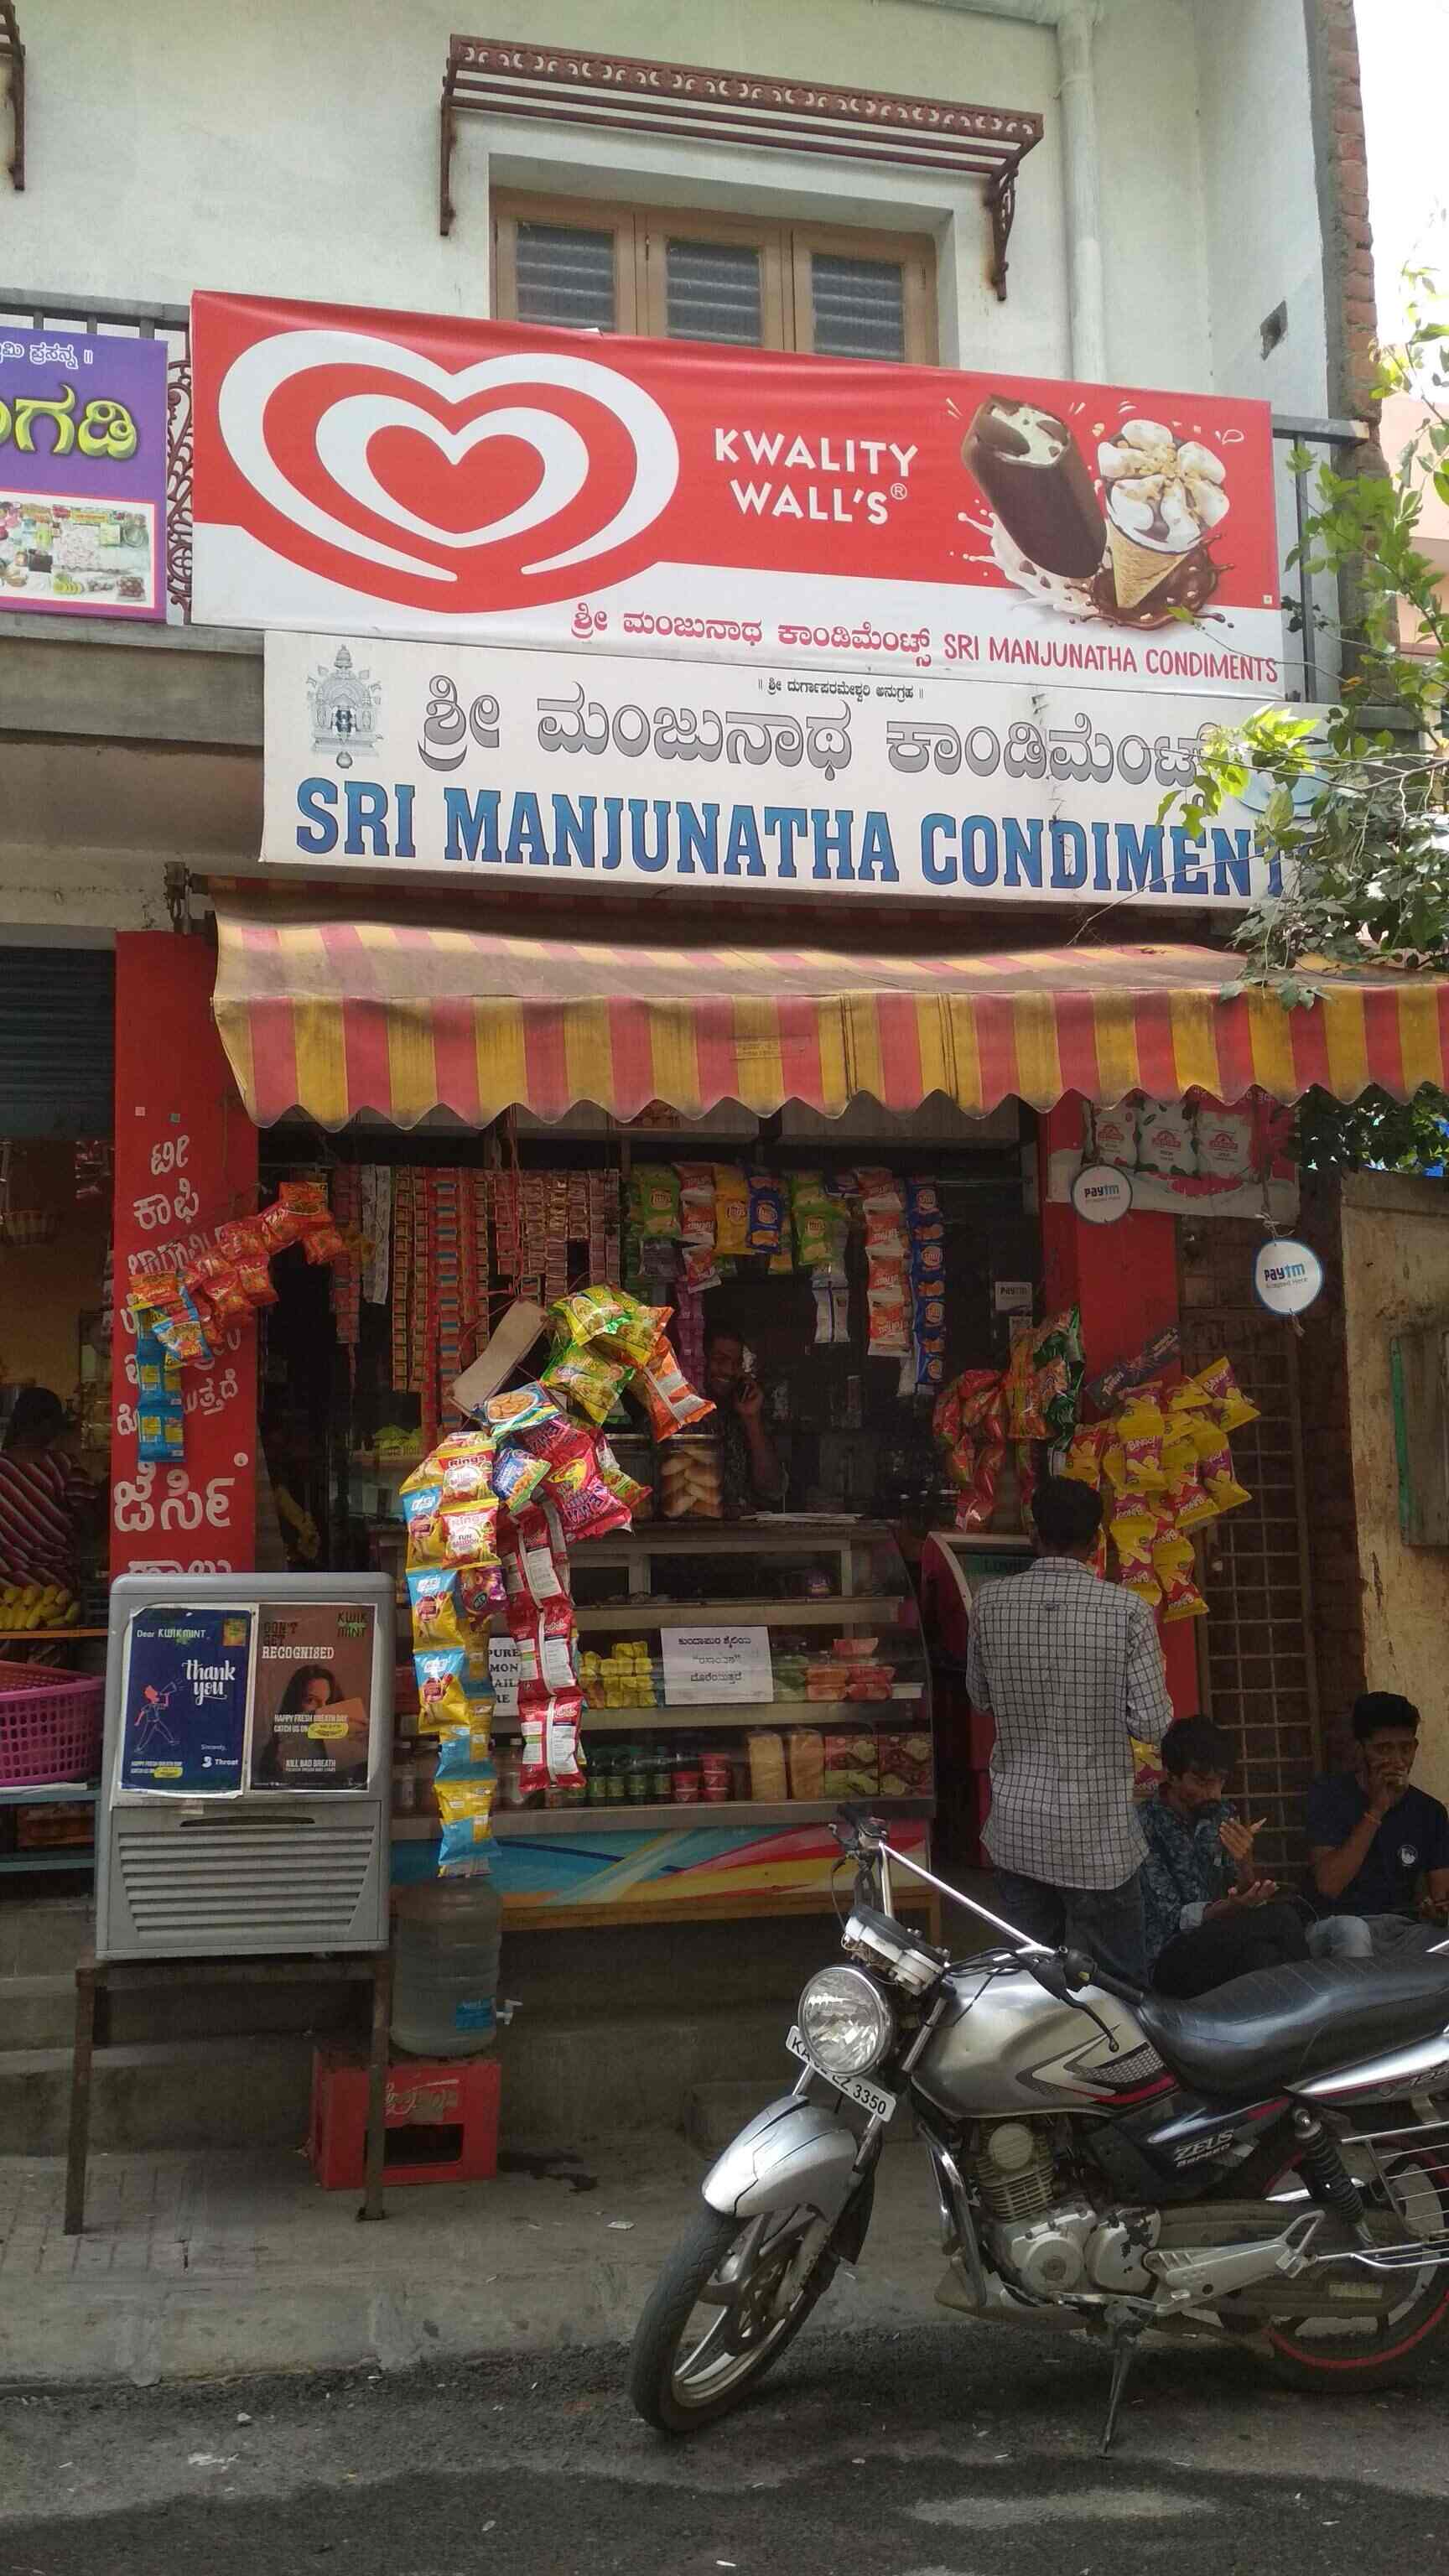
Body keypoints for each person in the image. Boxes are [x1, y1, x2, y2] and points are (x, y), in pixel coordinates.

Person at [963, 1472, 1173, 1985]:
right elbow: (1152, 1721)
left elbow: (980, 1697)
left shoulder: (989, 1604)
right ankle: (1123, 2066)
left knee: (1029, 1988)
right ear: (1097, 1542)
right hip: (1098, 1840)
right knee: (1120, 1986)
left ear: (1034, 1534)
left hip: (1018, 1832)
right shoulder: (1128, 1612)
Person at [1141, 1716, 1313, 1995]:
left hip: (1225, 1939)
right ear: (1171, 1775)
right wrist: (1232, 1907)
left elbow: (1239, 1890)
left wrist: (1245, 1863)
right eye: (1202, 1782)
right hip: (1169, 1957)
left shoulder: (1221, 1814)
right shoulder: (1144, 1825)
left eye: (1220, 1782)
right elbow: (1174, 1919)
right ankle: (1315, 2007)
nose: (1214, 1794)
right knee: (1283, 1918)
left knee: (1263, 1956)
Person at [1306, 1692, 1449, 1951]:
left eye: (1405, 1748)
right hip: (1338, 1925)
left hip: (1402, 1929)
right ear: (1360, 1750)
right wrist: (1377, 1809)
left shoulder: (1430, 1812)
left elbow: (1442, 1898)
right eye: (1384, 1749)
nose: (1397, 1760)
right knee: (1353, 1932)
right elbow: (1329, 1885)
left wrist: (1437, 1912)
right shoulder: (1329, 1796)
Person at [0, 1386, 96, 1597]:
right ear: (46, 1424)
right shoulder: (65, 1466)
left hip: (4, 1590)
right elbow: (91, 1525)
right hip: (55, 1588)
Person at [704, 1327, 782, 1514]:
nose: (730, 1371)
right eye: (720, 1360)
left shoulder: (739, 1418)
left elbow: (771, 1488)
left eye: (737, 1363)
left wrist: (751, 1419)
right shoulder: (673, 1417)